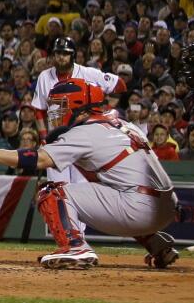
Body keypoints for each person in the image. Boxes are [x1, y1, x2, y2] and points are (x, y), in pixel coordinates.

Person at [0, 81, 178, 269]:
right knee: (114, 187)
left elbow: (39, 160)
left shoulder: (84, 131)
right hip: (167, 206)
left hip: (138, 208)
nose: (56, 111)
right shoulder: (124, 124)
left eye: (60, 105)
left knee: (51, 192)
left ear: (77, 105)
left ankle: (75, 247)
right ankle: (159, 246)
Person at [31, 35, 126, 237]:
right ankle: (67, 236)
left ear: (73, 55)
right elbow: (38, 109)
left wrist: (104, 108)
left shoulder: (88, 74)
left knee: (81, 190)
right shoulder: (44, 77)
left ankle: (79, 237)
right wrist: (43, 136)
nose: (61, 57)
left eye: (65, 54)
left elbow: (120, 85)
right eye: (58, 53)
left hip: (85, 140)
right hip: (57, 141)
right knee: (57, 189)